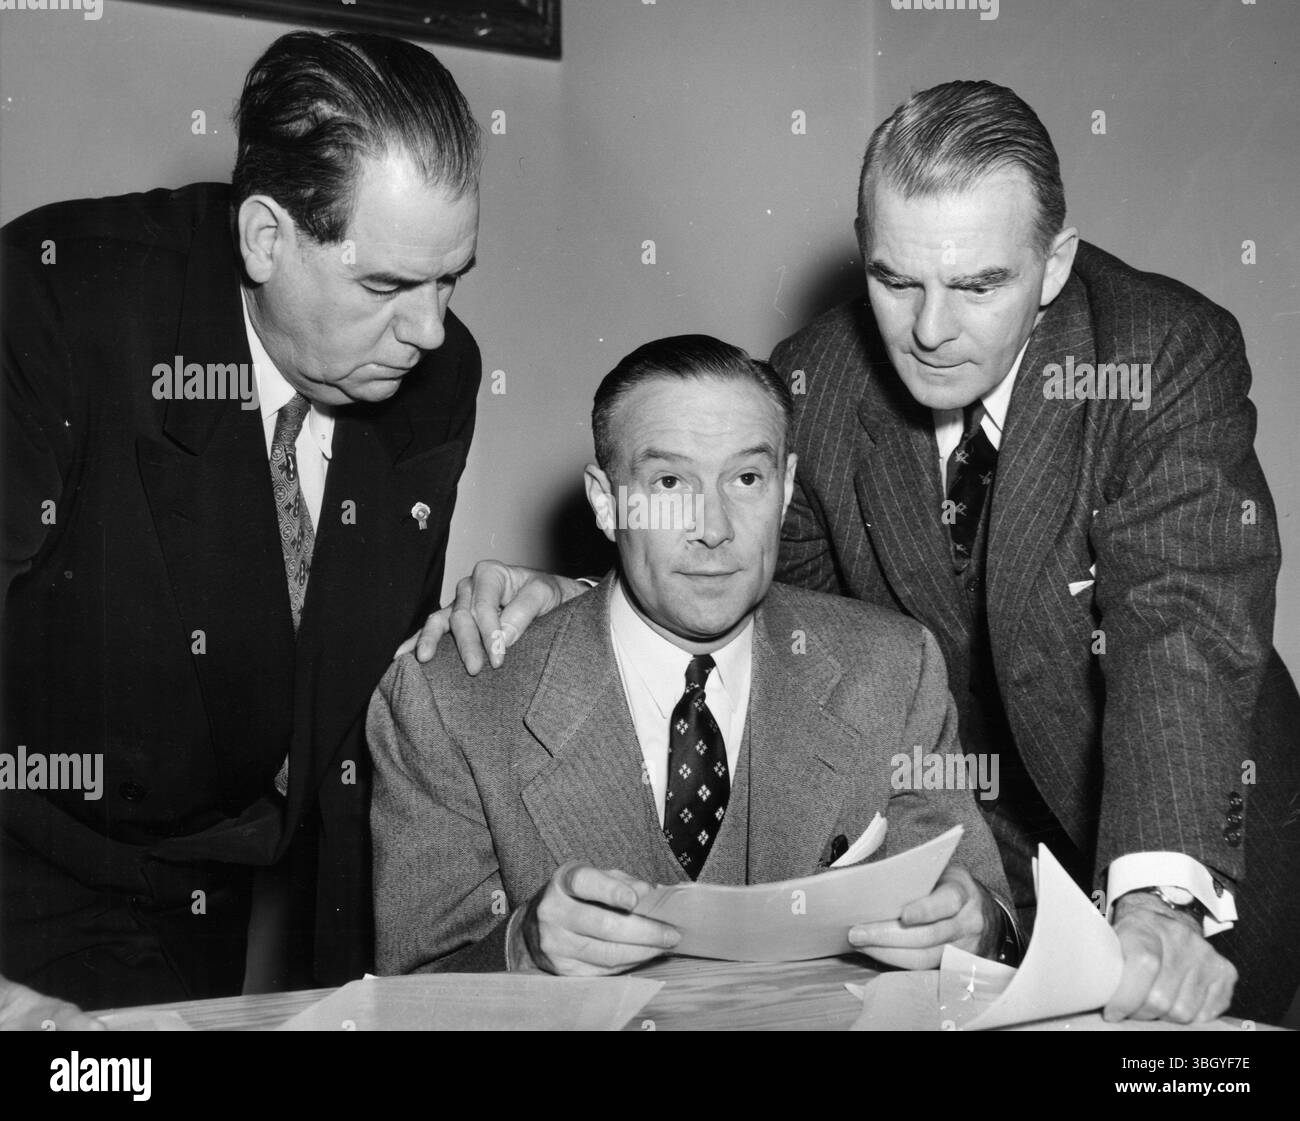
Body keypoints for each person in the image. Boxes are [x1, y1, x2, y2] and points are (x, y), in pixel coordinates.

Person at [420, 82, 1298, 1025]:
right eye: (895, 279)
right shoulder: (815, 378)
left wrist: (1159, 902)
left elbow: (1183, 628)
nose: (928, 329)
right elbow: (771, 602)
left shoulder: (1161, 352)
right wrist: (597, 591)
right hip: (977, 875)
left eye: (978, 285)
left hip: (1185, 846)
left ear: (1054, 266)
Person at [0, 29, 482, 1020]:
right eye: (387, 285)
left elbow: (349, 726)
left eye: (451, 280)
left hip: (201, 885)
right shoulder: (50, 302)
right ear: (265, 236)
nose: (431, 330)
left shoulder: (436, 374)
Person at [369, 335, 1016, 976]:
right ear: (605, 501)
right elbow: (410, 1000)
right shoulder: (451, 701)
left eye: (746, 477)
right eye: (671, 480)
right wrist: (522, 948)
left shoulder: (893, 669)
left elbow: (976, 901)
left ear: (786, 490)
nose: (714, 526)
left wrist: (978, 924)